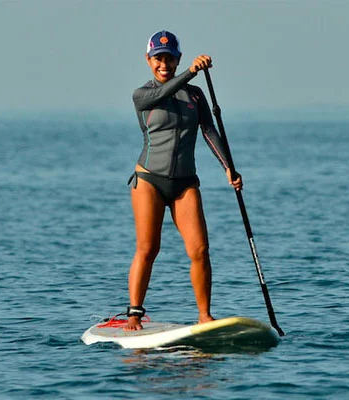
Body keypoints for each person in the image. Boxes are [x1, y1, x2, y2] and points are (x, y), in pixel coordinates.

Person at [125, 30, 243, 331]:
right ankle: (134, 315)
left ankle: (204, 316)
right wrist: (192, 71)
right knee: (148, 248)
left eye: (170, 58)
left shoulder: (194, 95)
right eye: (158, 59)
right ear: (149, 61)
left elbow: (208, 130)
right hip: (149, 180)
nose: (164, 64)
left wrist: (228, 167)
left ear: (176, 59)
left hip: (185, 182)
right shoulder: (143, 94)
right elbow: (163, 93)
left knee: (200, 249)